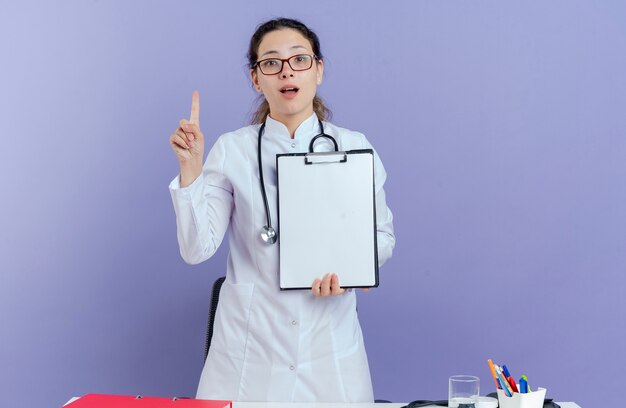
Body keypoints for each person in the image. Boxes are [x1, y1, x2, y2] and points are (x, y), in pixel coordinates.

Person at [168, 18, 395, 403]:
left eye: (299, 59)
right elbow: (197, 249)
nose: (286, 70)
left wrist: (352, 272)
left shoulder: (355, 148)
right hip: (249, 354)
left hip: (329, 352)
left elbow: (382, 239)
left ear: (319, 70)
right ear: (256, 79)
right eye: (271, 62)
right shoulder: (232, 150)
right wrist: (191, 170)